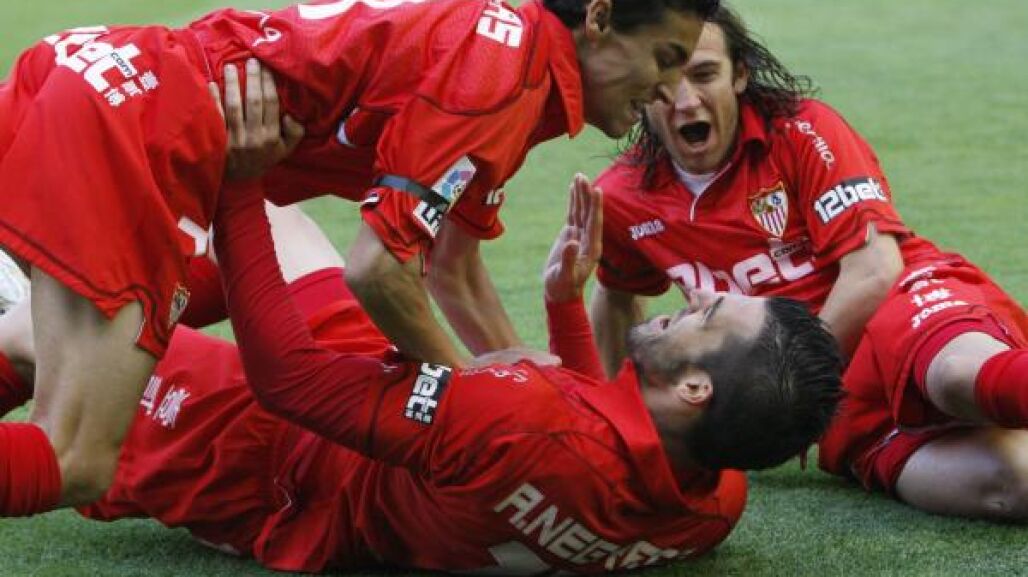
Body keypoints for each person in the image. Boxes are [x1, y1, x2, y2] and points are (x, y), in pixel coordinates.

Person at [0, 0, 719, 517]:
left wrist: (518, 375)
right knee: (77, 461)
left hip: (102, 70)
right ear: (598, 18)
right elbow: (378, 268)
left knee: (78, 338)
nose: (670, 92)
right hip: (148, 124)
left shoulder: (513, 53)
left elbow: (454, 266)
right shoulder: (504, 75)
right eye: (665, 59)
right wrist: (468, 387)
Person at [0, 165, 842, 573]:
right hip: (389, 415)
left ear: (695, 388)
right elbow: (605, 449)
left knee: (44, 327)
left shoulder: (522, 421)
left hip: (283, 458)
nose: (694, 298)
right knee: (280, 223)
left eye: (707, 317)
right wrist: (562, 306)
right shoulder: (715, 497)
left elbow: (290, 379)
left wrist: (241, 189)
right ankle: (127, 304)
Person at [589, 4, 1028, 520]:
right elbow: (615, 299)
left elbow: (874, 271)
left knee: (955, 377)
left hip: (905, 311)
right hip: (835, 406)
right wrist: (617, 426)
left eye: (705, 75)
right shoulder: (622, 198)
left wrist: (782, 387)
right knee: (1010, 484)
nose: (686, 101)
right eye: (668, 80)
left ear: (740, 76)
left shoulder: (802, 131)